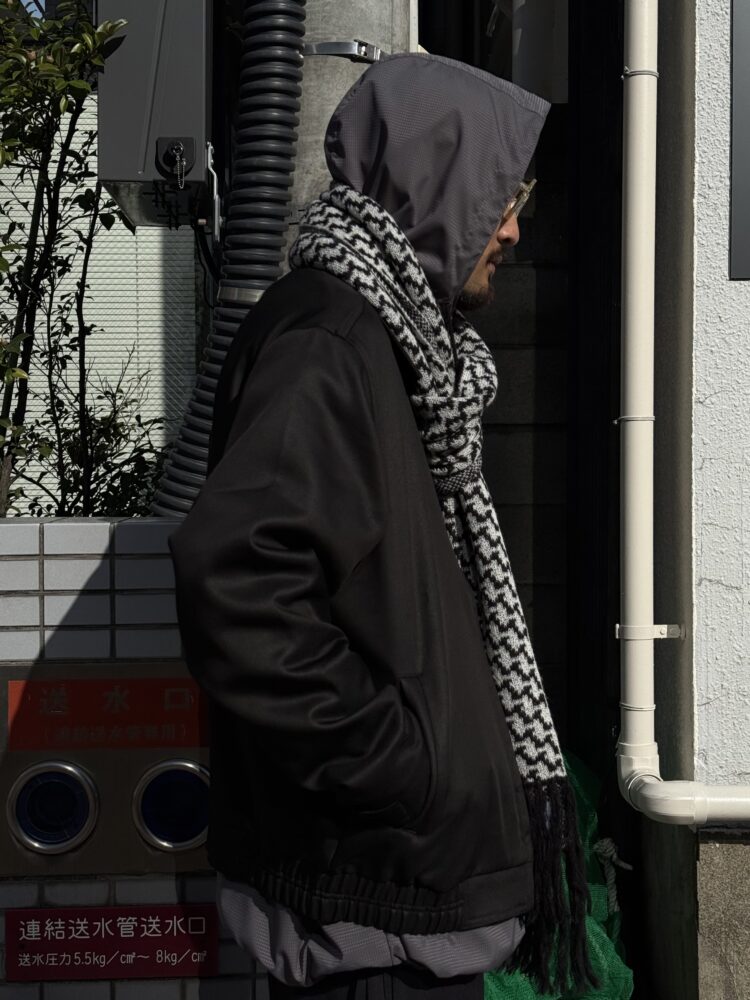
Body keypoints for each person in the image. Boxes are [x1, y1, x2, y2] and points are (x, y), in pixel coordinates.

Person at [169, 52, 596, 1000]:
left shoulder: (395, 343)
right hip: (369, 925)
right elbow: (238, 581)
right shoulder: (331, 340)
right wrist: (402, 766)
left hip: (395, 901)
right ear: (437, 179)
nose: (514, 229)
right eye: (505, 196)